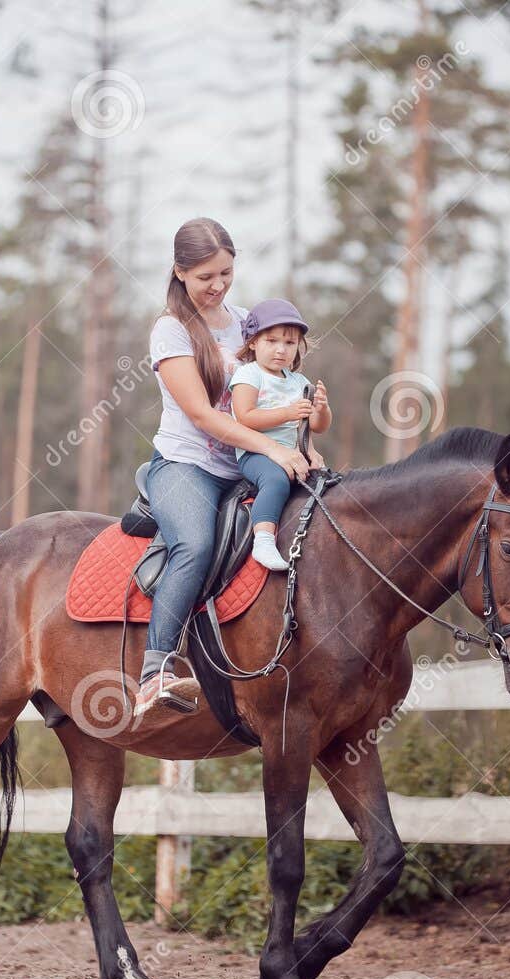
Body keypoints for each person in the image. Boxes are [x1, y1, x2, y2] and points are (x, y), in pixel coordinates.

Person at [134, 219, 313, 722]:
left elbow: (275, 388)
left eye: (226, 273)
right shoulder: (170, 330)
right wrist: (271, 450)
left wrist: (299, 439)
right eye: (205, 277)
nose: (217, 286)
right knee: (195, 545)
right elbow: (203, 415)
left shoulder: (244, 321)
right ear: (179, 272)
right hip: (188, 465)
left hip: (244, 461)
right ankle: (155, 671)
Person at [229, 299, 330, 570]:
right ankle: (263, 539)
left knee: (327, 484)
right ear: (253, 342)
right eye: (271, 341)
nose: (280, 350)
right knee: (276, 480)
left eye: (289, 343)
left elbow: (318, 426)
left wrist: (322, 408)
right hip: (257, 454)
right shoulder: (249, 375)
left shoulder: (299, 382)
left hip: (295, 452)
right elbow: (245, 416)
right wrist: (287, 412)